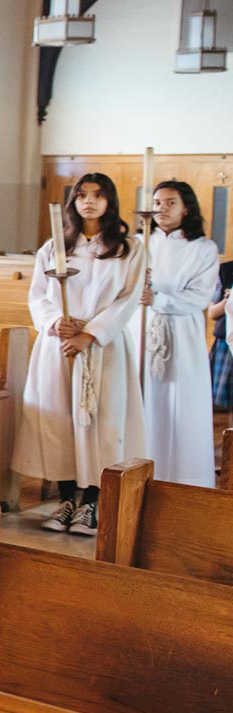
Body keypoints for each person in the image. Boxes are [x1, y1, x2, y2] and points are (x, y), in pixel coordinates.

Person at [16, 173, 146, 535]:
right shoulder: (55, 247)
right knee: (59, 423)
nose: (89, 201)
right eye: (82, 195)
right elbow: (38, 295)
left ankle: (93, 501)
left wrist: (90, 334)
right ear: (73, 201)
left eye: (98, 195)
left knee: (100, 423)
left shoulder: (128, 247)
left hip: (102, 347)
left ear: (110, 201)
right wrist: (57, 322)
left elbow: (128, 298)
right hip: (59, 344)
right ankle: (66, 499)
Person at [133, 180, 220, 487]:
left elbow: (198, 298)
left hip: (181, 335)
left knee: (179, 407)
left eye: (171, 203)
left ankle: (184, 481)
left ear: (187, 208)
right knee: (141, 404)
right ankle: (137, 477)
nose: (162, 209)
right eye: (156, 203)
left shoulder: (203, 249)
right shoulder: (138, 243)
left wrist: (158, 299)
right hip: (140, 332)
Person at [212, 260, 233, 411]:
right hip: (226, 343)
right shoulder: (226, 270)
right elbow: (212, 312)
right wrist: (228, 300)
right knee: (222, 407)